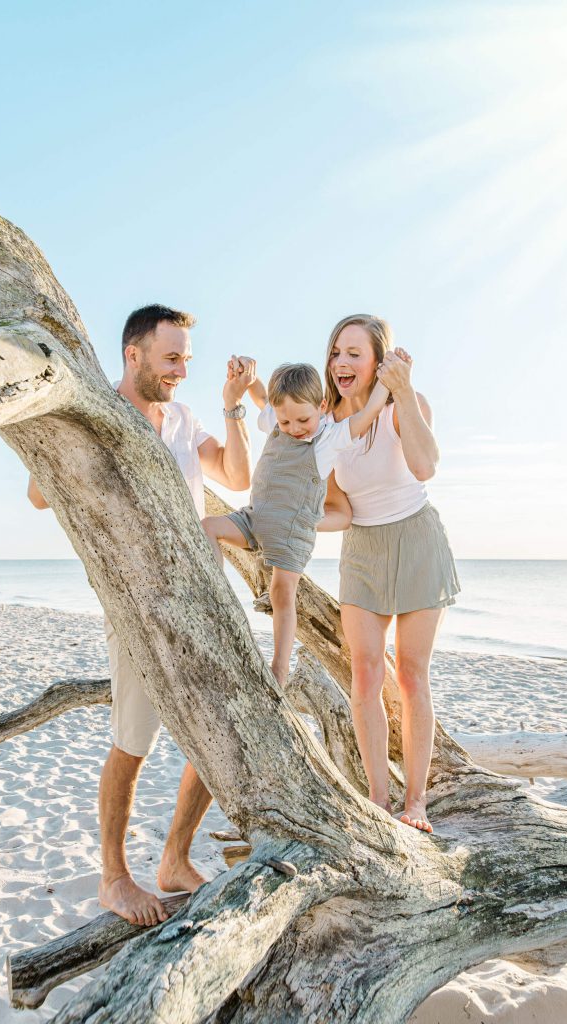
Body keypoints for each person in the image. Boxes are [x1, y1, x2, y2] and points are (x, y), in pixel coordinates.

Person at [27, 304, 254, 925]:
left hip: (203, 597)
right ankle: (114, 877)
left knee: (219, 732)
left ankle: (174, 860)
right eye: (171, 357)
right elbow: (40, 493)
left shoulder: (182, 418)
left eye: (186, 358)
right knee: (134, 741)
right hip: (137, 606)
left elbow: (236, 474)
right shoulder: (102, 412)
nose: (181, 369)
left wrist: (233, 405)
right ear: (135, 355)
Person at [324, 314, 460, 834]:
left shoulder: (408, 402)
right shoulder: (326, 417)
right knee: (364, 672)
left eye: (354, 353)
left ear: (379, 361)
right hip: (364, 548)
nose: (341, 363)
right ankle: (379, 801)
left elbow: (426, 468)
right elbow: (338, 506)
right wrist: (291, 524)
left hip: (418, 539)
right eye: (337, 352)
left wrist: (402, 394)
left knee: (410, 673)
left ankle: (417, 801)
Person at [202, 358, 406, 687]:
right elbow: (261, 399)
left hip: (292, 533)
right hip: (254, 518)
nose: (295, 427)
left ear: (322, 406)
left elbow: (366, 417)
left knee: (282, 594)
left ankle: (279, 669)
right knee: (208, 527)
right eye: (285, 421)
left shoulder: (329, 438)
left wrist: (385, 382)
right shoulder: (277, 417)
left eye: (303, 419)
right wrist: (250, 378)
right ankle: (214, 596)